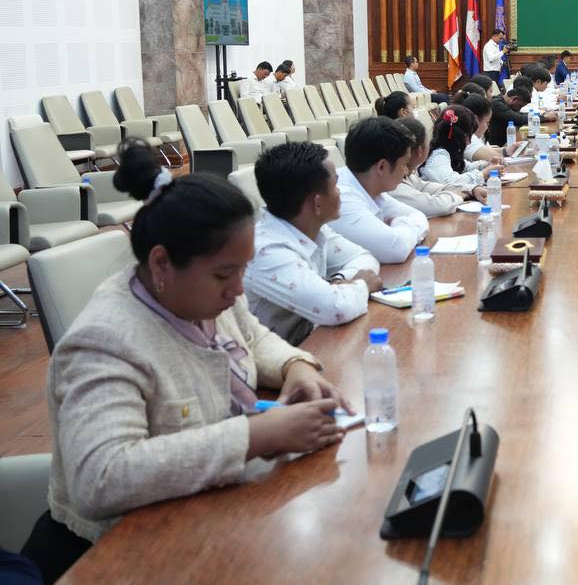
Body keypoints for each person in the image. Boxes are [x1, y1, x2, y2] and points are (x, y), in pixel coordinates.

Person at [28, 141, 348, 582]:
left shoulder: (202, 295)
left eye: (243, 269)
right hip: (114, 555)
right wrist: (255, 436)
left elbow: (253, 337)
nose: (239, 288)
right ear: (161, 264)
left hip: (201, 518)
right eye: (225, 274)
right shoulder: (104, 342)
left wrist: (296, 367)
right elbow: (101, 477)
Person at [243, 142, 383, 345]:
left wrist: (339, 281)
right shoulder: (267, 251)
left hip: (308, 344)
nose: (340, 192)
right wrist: (361, 285)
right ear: (317, 203)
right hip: (273, 360)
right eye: (335, 186)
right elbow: (334, 309)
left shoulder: (311, 228)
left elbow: (364, 257)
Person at [330, 117, 429, 263]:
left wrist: (398, 226)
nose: (406, 171)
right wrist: (402, 223)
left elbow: (418, 215)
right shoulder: (342, 198)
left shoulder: (370, 188)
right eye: (404, 164)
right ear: (382, 167)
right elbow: (396, 249)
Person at [392, 117, 470, 213]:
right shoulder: (394, 183)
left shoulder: (408, 175)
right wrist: (459, 196)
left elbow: (433, 188)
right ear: (420, 150)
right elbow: (434, 205)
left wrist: (471, 189)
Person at [422, 106, 499, 193]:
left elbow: (466, 167)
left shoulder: (450, 153)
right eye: (468, 136)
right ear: (458, 136)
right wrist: (482, 174)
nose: (469, 142)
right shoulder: (438, 155)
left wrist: (486, 165)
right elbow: (451, 182)